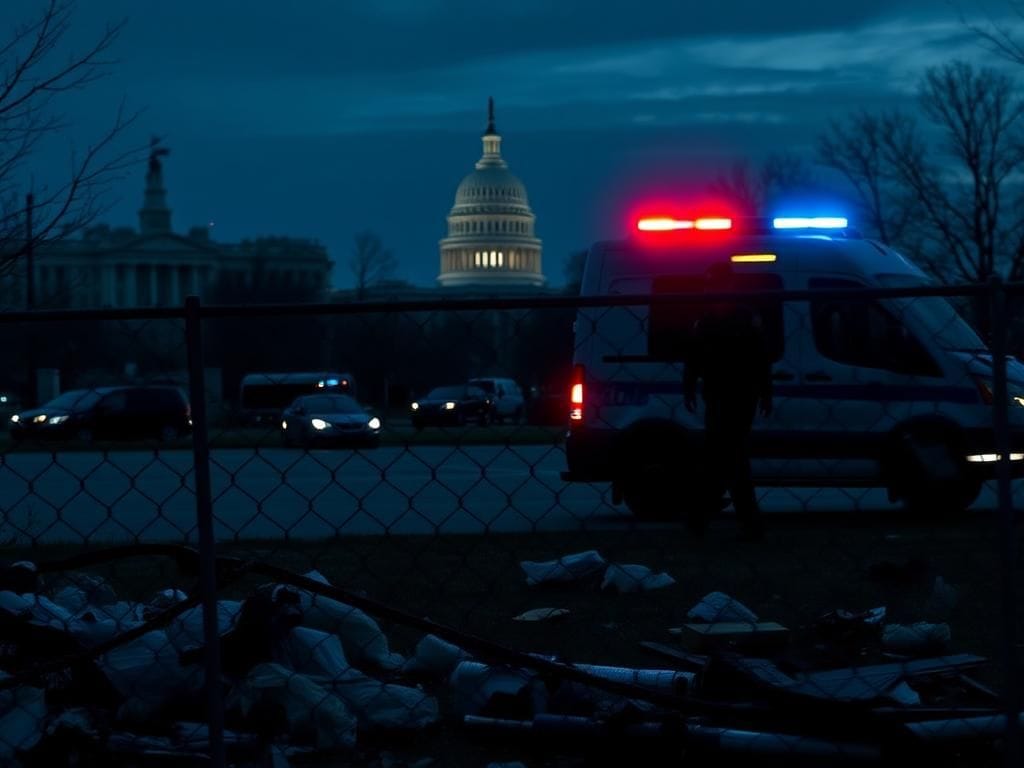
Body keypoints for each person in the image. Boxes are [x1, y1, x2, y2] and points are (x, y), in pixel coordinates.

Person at [683, 263, 773, 539]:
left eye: (720, 283)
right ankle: (743, 520)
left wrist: (765, 391)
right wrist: (689, 386)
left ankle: (705, 516)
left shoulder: (741, 318)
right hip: (722, 395)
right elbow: (694, 357)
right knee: (730, 457)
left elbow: (760, 357)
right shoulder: (709, 319)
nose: (717, 289)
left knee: (723, 457)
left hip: (738, 395)